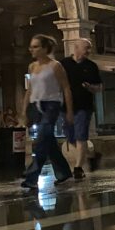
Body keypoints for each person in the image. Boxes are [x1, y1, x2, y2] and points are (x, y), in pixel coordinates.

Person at [21, 34, 75, 191]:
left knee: (42, 138)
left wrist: (69, 111)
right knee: (48, 141)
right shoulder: (32, 67)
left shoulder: (55, 66)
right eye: (31, 46)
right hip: (35, 104)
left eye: (36, 46)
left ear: (45, 48)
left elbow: (66, 88)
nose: (32, 49)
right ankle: (64, 172)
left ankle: (32, 177)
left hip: (51, 104)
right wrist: (24, 110)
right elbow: (29, 89)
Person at [61, 38, 102, 180]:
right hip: (66, 106)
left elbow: (99, 87)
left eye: (90, 48)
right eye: (86, 48)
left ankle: (78, 168)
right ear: (76, 48)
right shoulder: (64, 64)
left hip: (84, 106)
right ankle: (91, 155)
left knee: (81, 135)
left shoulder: (91, 66)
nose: (89, 51)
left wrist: (90, 87)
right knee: (70, 134)